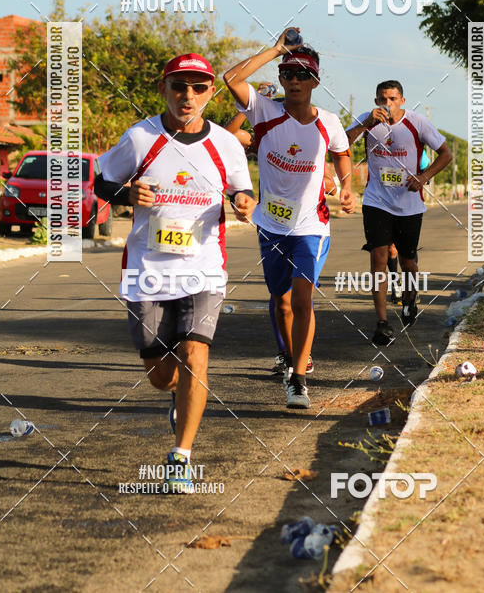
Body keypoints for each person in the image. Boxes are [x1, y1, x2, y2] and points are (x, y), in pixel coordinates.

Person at [94, 53, 255, 491]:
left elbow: (243, 189)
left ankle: (181, 455)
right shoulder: (141, 137)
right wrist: (127, 194)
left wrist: (243, 203)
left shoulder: (225, 143)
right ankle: (175, 400)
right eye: (179, 86)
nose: (188, 96)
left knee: (195, 356)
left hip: (204, 270)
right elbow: (101, 182)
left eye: (199, 87)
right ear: (163, 88)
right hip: (146, 269)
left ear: (210, 93)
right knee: (160, 375)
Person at [223, 28, 355, 409]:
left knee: (302, 299)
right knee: (280, 301)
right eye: (289, 73)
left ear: (316, 80)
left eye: (303, 74)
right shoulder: (264, 111)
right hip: (271, 223)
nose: (295, 81)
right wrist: (278, 49)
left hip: (312, 225)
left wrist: (347, 186)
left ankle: (298, 380)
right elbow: (232, 78)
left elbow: (342, 153)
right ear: (281, 78)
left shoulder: (328, 121)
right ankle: (288, 354)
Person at [346, 80, 452, 346]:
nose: (387, 104)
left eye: (392, 99)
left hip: (409, 204)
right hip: (376, 201)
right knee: (378, 259)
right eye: (382, 99)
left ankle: (409, 300)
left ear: (402, 100)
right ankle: (382, 322)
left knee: (408, 263)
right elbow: (341, 146)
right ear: (376, 101)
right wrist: (366, 124)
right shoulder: (367, 120)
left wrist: (424, 176)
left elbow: (445, 154)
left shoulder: (417, 123)